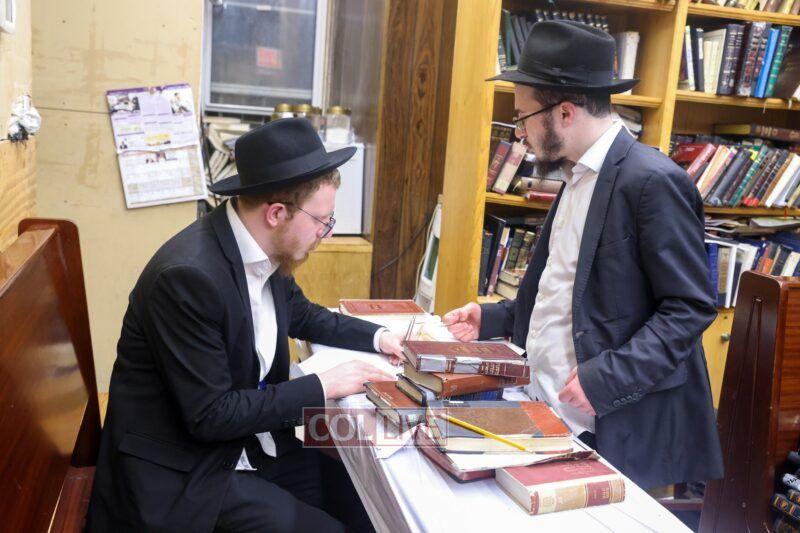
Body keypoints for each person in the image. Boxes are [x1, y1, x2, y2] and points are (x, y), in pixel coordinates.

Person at [443, 20, 723, 490]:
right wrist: (493, 318)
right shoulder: (575, 176)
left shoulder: (652, 182)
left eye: (523, 117)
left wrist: (606, 379)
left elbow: (690, 307)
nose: (519, 133)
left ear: (565, 113)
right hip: (548, 412)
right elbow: (573, 289)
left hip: (614, 423)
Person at [87, 118, 403, 531]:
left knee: (361, 501)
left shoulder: (263, 248)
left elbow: (303, 314)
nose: (325, 233)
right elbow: (211, 415)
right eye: (322, 221)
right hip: (182, 470)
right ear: (276, 213)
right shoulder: (188, 278)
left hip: (242, 441)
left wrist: (381, 337)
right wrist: (325, 385)